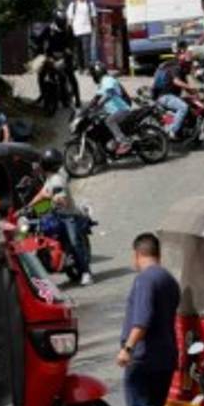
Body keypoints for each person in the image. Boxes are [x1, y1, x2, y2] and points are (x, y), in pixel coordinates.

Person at [118, 233, 197, 406]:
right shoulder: (169, 280)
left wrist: (127, 349)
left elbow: (141, 320)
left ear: (137, 254)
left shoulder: (144, 280)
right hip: (166, 355)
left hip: (143, 355)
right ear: (158, 254)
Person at [30, 147, 94, 286]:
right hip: (56, 214)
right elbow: (42, 193)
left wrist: (51, 197)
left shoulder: (57, 180)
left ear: (46, 165)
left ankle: (86, 273)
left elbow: (62, 201)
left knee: (75, 242)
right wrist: (27, 206)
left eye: (42, 163)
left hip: (68, 216)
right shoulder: (50, 178)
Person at [34, 9, 81, 109]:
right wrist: (38, 49)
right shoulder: (49, 29)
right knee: (41, 75)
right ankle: (43, 94)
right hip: (50, 56)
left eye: (63, 21)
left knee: (69, 74)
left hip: (64, 56)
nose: (62, 24)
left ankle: (77, 99)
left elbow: (73, 42)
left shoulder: (68, 29)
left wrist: (69, 50)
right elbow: (40, 40)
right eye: (60, 21)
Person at [152, 45, 199, 140]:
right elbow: (176, 81)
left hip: (172, 96)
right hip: (165, 96)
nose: (190, 65)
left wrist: (196, 94)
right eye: (189, 62)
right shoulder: (175, 67)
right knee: (183, 107)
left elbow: (186, 87)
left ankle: (190, 134)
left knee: (192, 105)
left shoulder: (182, 71)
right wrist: (191, 87)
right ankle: (172, 131)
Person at [91, 61, 132, 155]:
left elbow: (109, 94)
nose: (93, 76)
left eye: (93, 73)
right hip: (114, 111)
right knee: (101, 121)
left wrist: (99, 104)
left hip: (121, 109)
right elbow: (97, 97)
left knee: (109, 121)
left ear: (97, 73)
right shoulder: (102, 82)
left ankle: (124, 142)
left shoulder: (107, 80)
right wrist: (89, 108)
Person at [67, 0, 98, 66]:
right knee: (78, 50)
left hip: (87, 30)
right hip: (76, 31)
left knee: (86, 49)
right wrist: (69, 30)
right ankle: (80, 67)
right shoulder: (72, 5)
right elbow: (70, 19)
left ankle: (87, 67)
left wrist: (95, 28)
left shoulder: (90, 4)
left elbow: (94, 17)